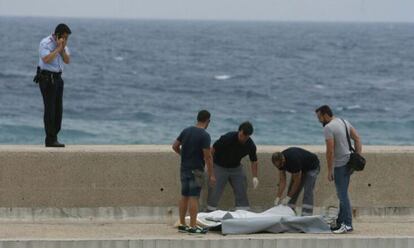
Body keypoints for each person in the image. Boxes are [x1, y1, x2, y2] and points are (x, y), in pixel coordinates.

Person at [315, 105, 362, 234]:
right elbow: (357, 138)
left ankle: (347, 224)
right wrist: (357, 157)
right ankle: (341, 222)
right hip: (349, 163)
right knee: (343, 193)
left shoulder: (328, 128)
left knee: (342, 195)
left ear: (325, 115)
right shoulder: (343, 121)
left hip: (340, 165)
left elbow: (330, 151)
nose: (319, 120)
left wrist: (329, 170)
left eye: (319, 117)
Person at [172, 110, 216, 234]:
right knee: (194, 197)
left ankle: (182, 223)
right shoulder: (204, 135)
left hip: (184, 168)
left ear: (197, 118)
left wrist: (183, 156)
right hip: (197, 170)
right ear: (208, 121)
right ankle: (193, 226)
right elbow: (207, 157)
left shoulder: (186, 131)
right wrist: (212, 174)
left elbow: (175, 146)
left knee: (184, 196)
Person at [206, 121, 259, 211]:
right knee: (214, 190)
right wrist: (210, 168)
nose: (243, 138)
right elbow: (212, 150)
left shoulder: (250, 145)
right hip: (219, 166)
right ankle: (210, 211)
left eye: (246, 136)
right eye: (242, 135)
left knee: (241, 187)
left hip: (236, 168)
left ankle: (242, 211)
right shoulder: (227, 138)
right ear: (239, 131)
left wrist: (255, 177)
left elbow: (254, 161)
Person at [37, 23, 71, 147]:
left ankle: (54, 136)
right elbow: (46, 59)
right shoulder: (45, 43)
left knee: (58, 110)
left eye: (67, 38)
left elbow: (67, 61)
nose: (66, 40)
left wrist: (62, 50)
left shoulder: (63, 45)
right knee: (50, 109)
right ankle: (50, 139)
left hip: (58, 78)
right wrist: (57, 48)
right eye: (64, 37)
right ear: (57, 35)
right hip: (47, 78)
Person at [271, 147, 320, 216]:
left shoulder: (293, 161)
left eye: (281, 165)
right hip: (301, 167)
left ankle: (306, 216)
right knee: (291, 191)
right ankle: (291, 213)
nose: (280, 167)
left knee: (307, 191)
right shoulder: (279, 162)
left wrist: (288, 197)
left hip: (312, 167)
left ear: (283, 160)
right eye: (278, 166)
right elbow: (282, 181)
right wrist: (278, 197)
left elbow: (297, 182)